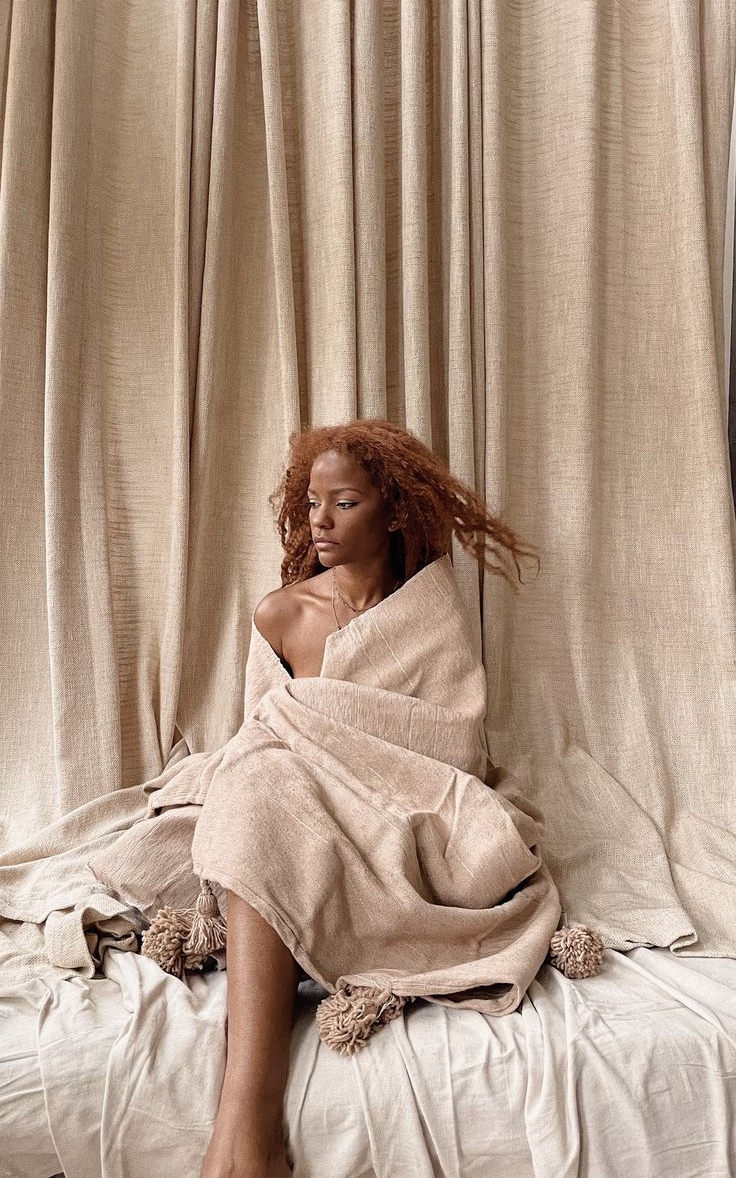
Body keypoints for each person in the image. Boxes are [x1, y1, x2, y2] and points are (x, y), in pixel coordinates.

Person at [201, 417, 539, 1178]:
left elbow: (455, 745)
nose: (318, 522)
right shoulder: (280, 615)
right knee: (257, 788)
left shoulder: (430, 613)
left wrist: (339, 751)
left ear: (392, 512)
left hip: (402, 819)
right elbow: (262, 737)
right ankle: (247, 1117)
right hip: (292, 812)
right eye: (311, 502)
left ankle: (243, 1128)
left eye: (343, 503)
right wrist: (309, 751)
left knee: (266, 793)